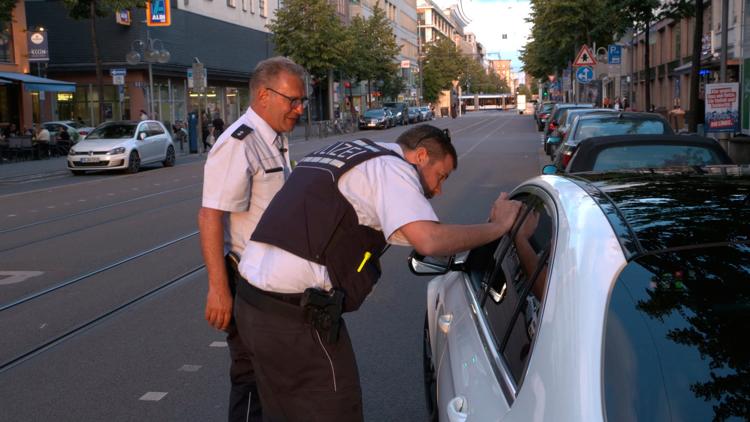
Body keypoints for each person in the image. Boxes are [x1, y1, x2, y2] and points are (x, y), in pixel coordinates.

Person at [235, 124, 522, 420]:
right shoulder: (392, 168)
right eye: (441, 176)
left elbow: (405, 234)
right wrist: (497, 228)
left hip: (251, 304)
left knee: (281, 413)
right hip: (295, 319)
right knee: (337, 412)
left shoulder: (352, 153)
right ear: (421, 156)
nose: (438, 189)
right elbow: (429, 240)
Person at [197, 56, 307, 422]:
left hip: (270, 284)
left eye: (302, 100)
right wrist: (218, 289)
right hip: (247, 285)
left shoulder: (272, 138)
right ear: (264, 95)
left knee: (274, 382)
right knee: (251, 383)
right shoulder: (239, 142)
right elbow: (210, 214)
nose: (299, 108)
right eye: (292, 100)